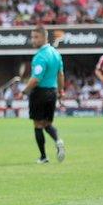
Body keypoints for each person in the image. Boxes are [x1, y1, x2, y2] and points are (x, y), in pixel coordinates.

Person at [21, 26, 65, 164]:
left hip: (40, 92)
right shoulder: (56, 53)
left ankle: (43, 157)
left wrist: (24, 91)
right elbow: (61, 74)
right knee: (47, 123)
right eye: (32, 37)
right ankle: (58, 140)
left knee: (38, 125)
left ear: (44, 37)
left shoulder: (40, 57)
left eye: (36, 37)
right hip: (52, 92)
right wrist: (61, 91)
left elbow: (35, 80)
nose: (33, 40)